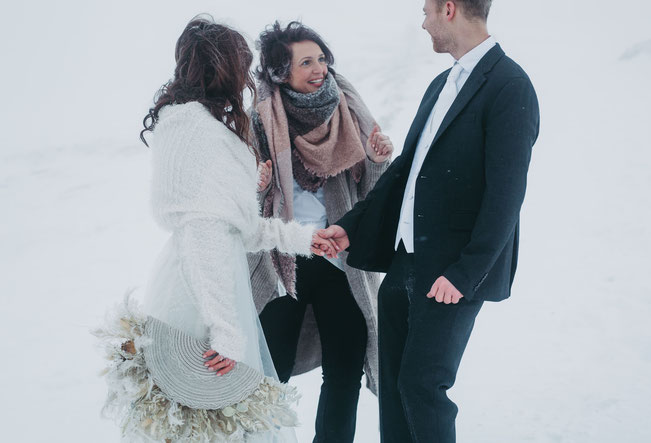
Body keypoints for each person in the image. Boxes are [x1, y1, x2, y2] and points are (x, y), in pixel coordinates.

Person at [318, 1, 541, 441]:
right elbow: (406, 171)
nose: (423, 22)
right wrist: (353, 226)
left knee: (423, 386)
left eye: (426, 11)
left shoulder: (511, 86)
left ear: (450, 9)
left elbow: (506, 195)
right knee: (397, 390)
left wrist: (466, 271)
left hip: (451, 273)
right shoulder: (442, 83)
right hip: (406, 263)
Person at [137, 16, 332, 442]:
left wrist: (303, 239)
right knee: (217, 420)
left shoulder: (193, 124)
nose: (246, 74)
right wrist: (226, 330)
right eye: (240, 62)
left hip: (208, 282)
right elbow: (204, 232)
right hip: (204, 293)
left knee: (214, 425)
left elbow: (239, 229)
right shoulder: (197, 133)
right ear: (221, 66)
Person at [248, 21, 394, 443]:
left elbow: (371, 193)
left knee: (345, 368)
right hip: (284, 262)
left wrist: (377, 159)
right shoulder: (259, 119)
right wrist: (255, 185)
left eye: (321, 58)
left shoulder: (345, 111)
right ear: (280, 73)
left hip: (337, 256)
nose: (318, 69)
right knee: (270, 371)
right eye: (305, 62)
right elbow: (243, 209)